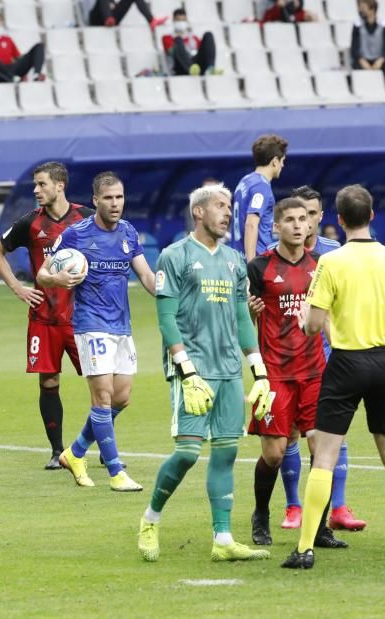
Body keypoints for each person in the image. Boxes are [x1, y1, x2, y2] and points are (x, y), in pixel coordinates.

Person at [282, 184, 385, 570]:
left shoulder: (331, 263)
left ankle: (304, 548)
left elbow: (314, 325)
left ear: (340, 220)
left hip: (346, 364)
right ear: (373, 216)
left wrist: (306, 318)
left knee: (325, 457)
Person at [136, 183, 270, 563]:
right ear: (198, 212)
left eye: (230, 207)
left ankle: (223, 538)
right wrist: (186, 370)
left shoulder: (233, 260)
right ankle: (150, 519)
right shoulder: (173, 256)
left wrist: (258, 370)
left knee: (226, 452)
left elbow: (243, 317)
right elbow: (166, 319)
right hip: (192, 369)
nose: (228, 213)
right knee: (188, 453)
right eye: (221, 206)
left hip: (228, 369)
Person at [37, 171, 156, 491]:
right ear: (95, 201)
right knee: (102, 398)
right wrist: (57, 280)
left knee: (122, 398)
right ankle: (116, 472)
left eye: (119, 197)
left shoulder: (129, 232)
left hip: (122, 327)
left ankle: (75, 453)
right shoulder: (76, 235)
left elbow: (145, 275)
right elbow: (43, 274)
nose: (115, 203)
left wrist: (169, 293)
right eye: (108, 198)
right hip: (91, 326)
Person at [247, 197, 348, 549]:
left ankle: (319, 527)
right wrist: (250, 312)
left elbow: (331, 314)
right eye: (288, 219)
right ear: (276, 227)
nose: (296, 225)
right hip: (275, 373)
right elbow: (247, 320)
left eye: (302, 219)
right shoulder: (259, 267)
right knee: (274, 453)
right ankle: (260, 513)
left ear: (310, 225)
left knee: (322, 451)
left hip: (315, 372)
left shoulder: (321, 265)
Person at [266, 186, 364, 533]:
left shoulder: (333, 254)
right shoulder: (271, 260)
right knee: (289, 435)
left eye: (309, 215)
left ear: (319, 218)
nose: (302, 222)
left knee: (332, 435)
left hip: (326, 356)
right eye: (295, 215)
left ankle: (337, 507)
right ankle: (294, 506)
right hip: (286, 359)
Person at [0, 162, 93, 469]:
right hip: (43, 318)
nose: (36, 190)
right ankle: (57, 451)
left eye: (42, 184)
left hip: (81, 317)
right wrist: (17, 288)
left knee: (104, 386)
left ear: (60, 185)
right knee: (48, 382)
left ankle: (95, 445)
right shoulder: (30, 223)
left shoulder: (85, 219)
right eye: (35, 185)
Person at [230, 133, 287, 262]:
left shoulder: (245, 181)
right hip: (256, 258)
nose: (282, 165)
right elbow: (251, 223)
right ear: (275, 161)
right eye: (282, 161)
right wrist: (252, 264)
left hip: (237, 256)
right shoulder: (261, 186)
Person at [161, 8, 217, 76]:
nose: (181, 23)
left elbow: (202, 51)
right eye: (178, 20)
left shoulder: (193, 37)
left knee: (208, 35)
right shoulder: (167, 37)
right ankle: (191, 68)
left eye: (183, 20)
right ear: (173, 20)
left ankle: (210, 68)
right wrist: (179, 38)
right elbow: (171, 52)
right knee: (178, 40)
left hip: (196, 65)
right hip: (180, 68)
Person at [350, 0, 385, 71]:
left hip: (379, 61)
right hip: (362, 61)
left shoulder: (384, 25)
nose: (360, 10)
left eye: (363, 8)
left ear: (372, 10)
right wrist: (362, 61)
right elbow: (354, 48)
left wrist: (380, 60)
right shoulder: (357, 25)